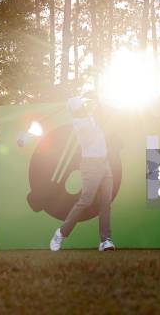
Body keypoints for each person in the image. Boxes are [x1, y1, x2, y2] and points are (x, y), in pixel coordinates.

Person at [49, 93, 116, 252]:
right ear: (77, 111)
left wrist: (95, 99)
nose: (85, 108)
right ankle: (61, 232)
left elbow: (100, 111)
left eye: (84, 106)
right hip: (91, 165)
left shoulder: (89, 116)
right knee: (86, 201)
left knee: (106, 203)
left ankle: (105, 240)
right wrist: (96, 109)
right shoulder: (80, 124)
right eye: (82, 107)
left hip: (104, 163)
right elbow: (94, 132)